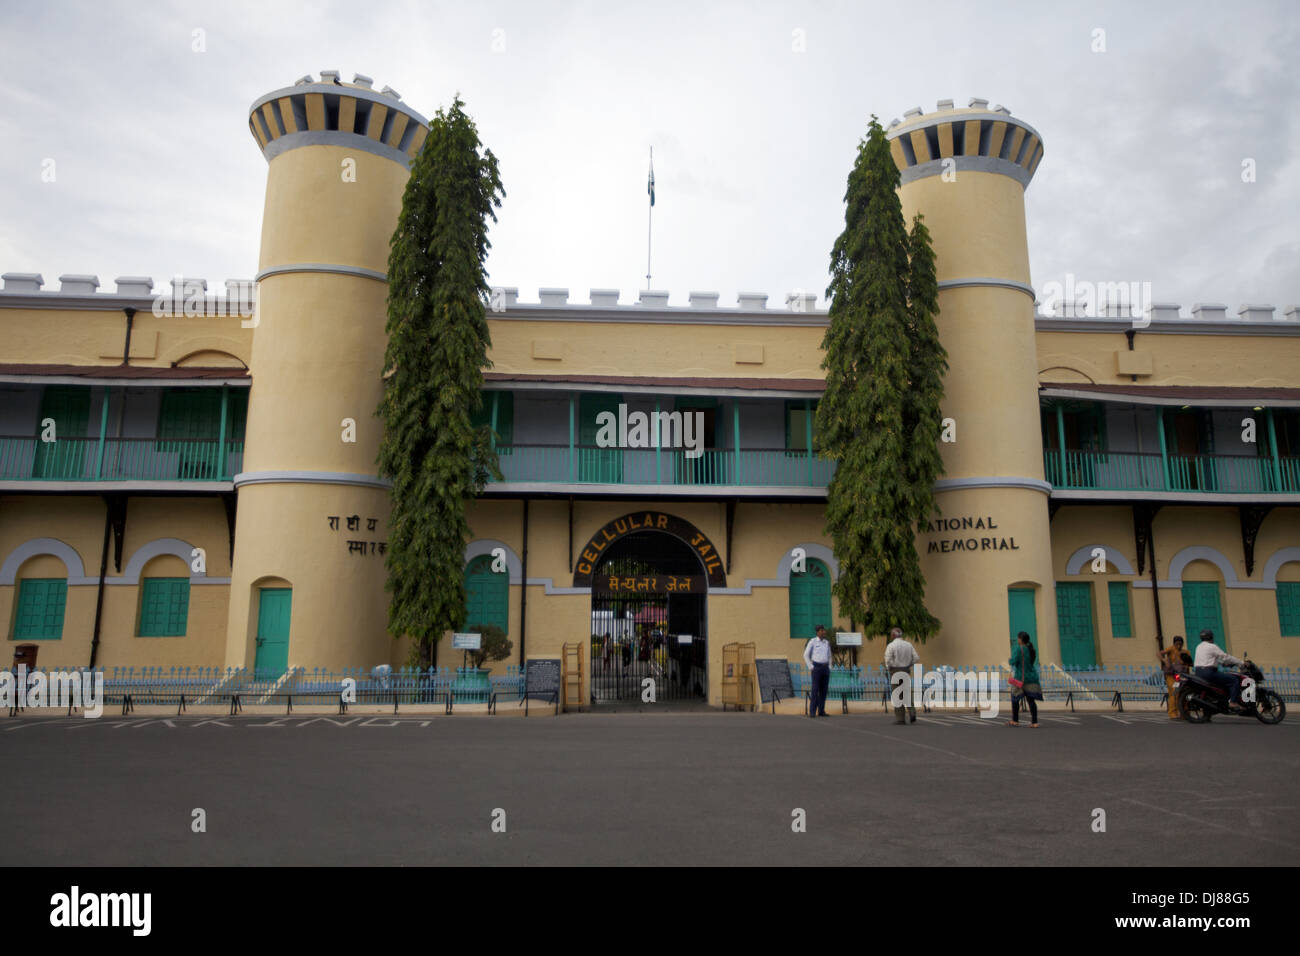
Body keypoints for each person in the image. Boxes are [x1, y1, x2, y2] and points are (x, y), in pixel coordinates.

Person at [1193, 629, 1245, 710]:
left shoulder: (1199, 646)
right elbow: (1225, 657)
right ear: (1211, 637)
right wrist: (1240, 663)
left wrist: (1224, 663)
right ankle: (1233, 702)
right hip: (1209, 673)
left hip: (1198, 672)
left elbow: (1211, 659)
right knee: (1234, 680)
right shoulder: (1212, 646)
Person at [883, 626, 921, 724]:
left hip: (895, 671)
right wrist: (909, 664)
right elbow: (916, 657)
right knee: (907, 692)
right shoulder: (908, 645)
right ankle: (912, 712)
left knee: (897, 694)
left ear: (892, 635)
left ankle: (900, 718)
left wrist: (889, 667)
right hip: (906, 670)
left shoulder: (891, 646)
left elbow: (887, 660)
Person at [1008, 631, 1041, 728]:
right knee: (1031, 700)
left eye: (1018, 638)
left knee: (1015, 698)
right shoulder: (1030, 649)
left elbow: (1013, 661)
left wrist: (1010, 660)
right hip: (1031, 677)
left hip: (1020, 678)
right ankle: (1034, 722)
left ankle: (1015, 720)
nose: (1017, 640)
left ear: (1021, 640)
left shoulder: (1019, 649)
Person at [803, 625, 832, 718]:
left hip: (825, 668)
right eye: (822, 631)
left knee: (824, 690)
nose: (824, 632)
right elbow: (806, 655)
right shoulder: (813, 642)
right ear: (818, 632)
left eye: (824, 630)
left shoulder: (826, 643)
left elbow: (830, 656)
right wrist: (811, 667)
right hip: (817, 667)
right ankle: (812, 711)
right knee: (815, 690)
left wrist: (830, 666)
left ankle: (821, 710)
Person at [1159, 635, 1189, 719]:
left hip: (1181, 676)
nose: (1178, 646)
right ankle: (1172, 713)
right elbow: (1159, 653)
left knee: (1183, 693)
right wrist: (1164, 660)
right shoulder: (1171, 649)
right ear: (1174, 644)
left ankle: (1183, 713)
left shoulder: (1185, 652)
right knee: (1174, 693)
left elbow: (1189, 664)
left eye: (1180, 644)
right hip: (1172, 675)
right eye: (1177, 644)